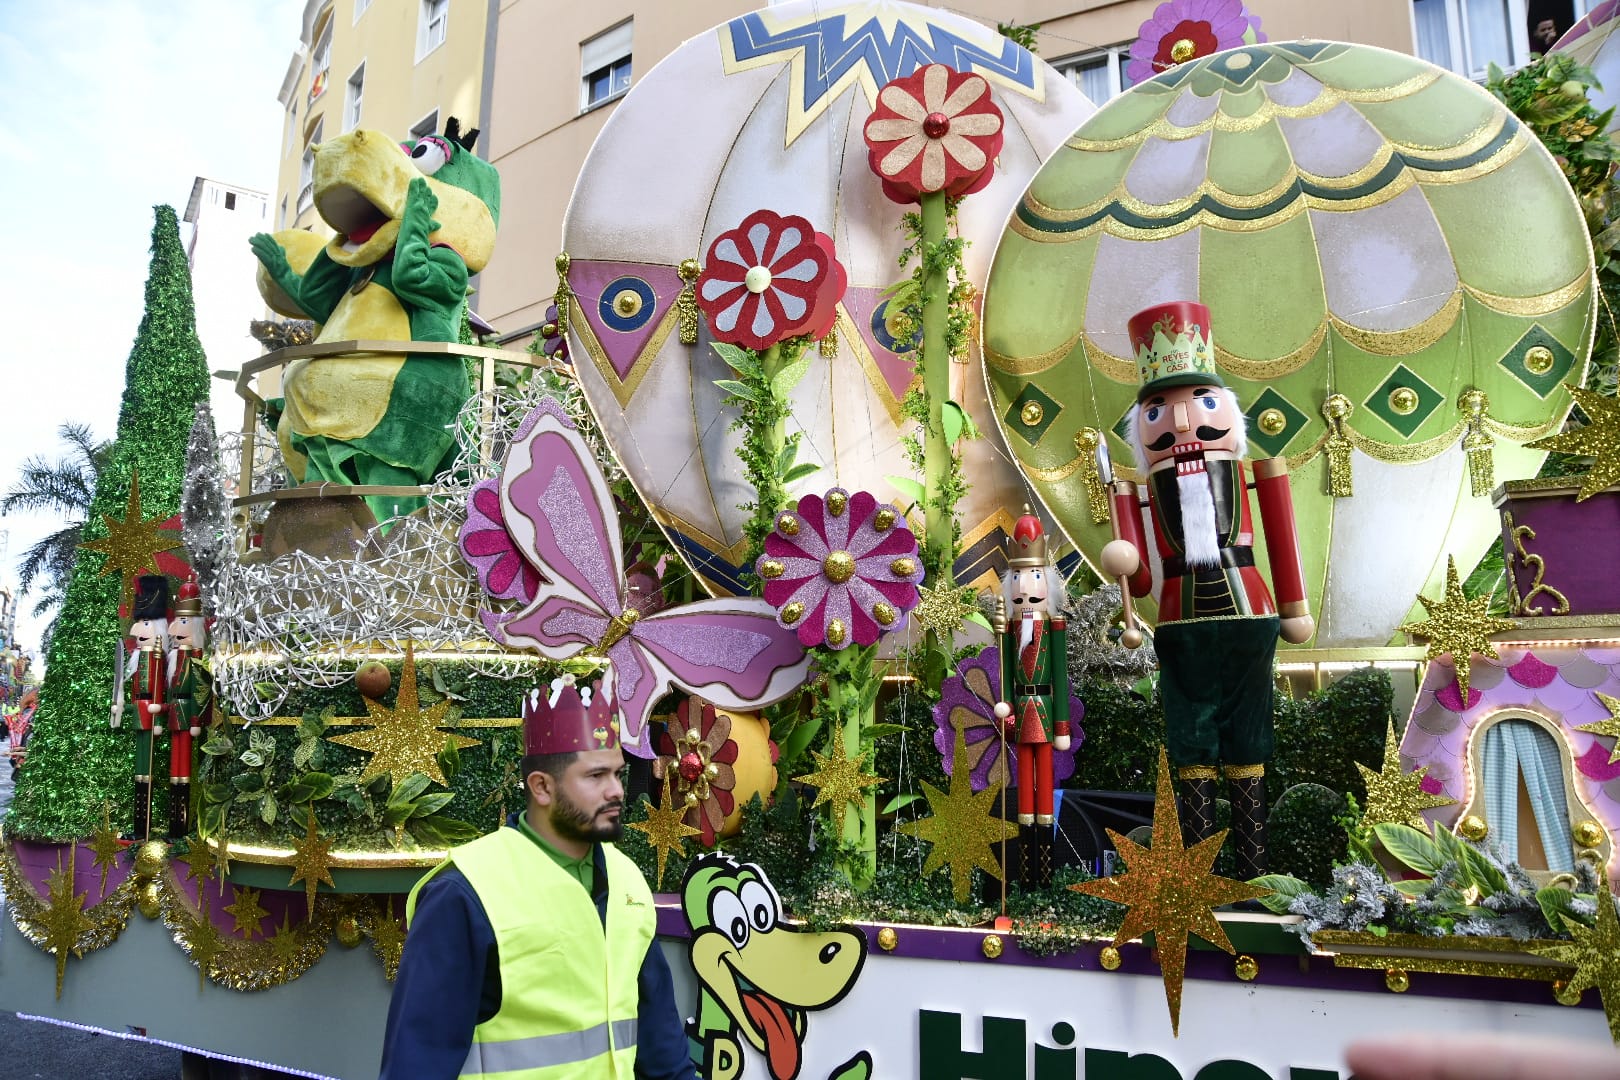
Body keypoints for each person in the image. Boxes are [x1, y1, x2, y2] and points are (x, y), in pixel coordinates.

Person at [380, 675, 695, 1080]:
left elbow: (662, 1048)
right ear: (542, 787)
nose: (616, 790)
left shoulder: (626, 879)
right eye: (595, 776)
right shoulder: (466, 893)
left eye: (618, 773)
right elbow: (415, 1065)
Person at [1100, 301, 1313, 879]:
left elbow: (1281, 534)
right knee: (1189, 738)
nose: (1185, 423)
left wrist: (1294, 607)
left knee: (1249, 734)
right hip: (1179, 620)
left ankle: (1253, 872)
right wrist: (1123, 559)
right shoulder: (1138, 488)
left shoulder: (1255, 474)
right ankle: (1199, 874)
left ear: (1227, 413)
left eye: (1202, 402)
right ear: (1142, 425)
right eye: (1159, 410)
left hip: (1250, 611)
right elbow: (1141, 579)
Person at [991, 509, 1073, 887]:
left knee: (1046, 786)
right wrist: (1005, 703)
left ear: (1047, 583)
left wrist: (1061, 726)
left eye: (1034, 577)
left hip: (1043, 706)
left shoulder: (1054, 626)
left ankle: (1047, 870)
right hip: (1021, 710)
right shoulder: (1009, 628)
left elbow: (1059, 676)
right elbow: (1007, 674)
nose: (1026, 589)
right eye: (1020, 580)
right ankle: (1026, 876)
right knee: (1023, 787)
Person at [110, 575, 169, 842]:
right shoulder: (137, 657)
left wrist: (159, 715)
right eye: (138, 622)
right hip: (138, 711)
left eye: (144, 623)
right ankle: (138, 828)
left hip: (150, 713)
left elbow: (158, 687)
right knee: (139, 772)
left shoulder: (159, 657)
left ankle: (144, 828)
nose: (137, 630)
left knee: (146, 770)